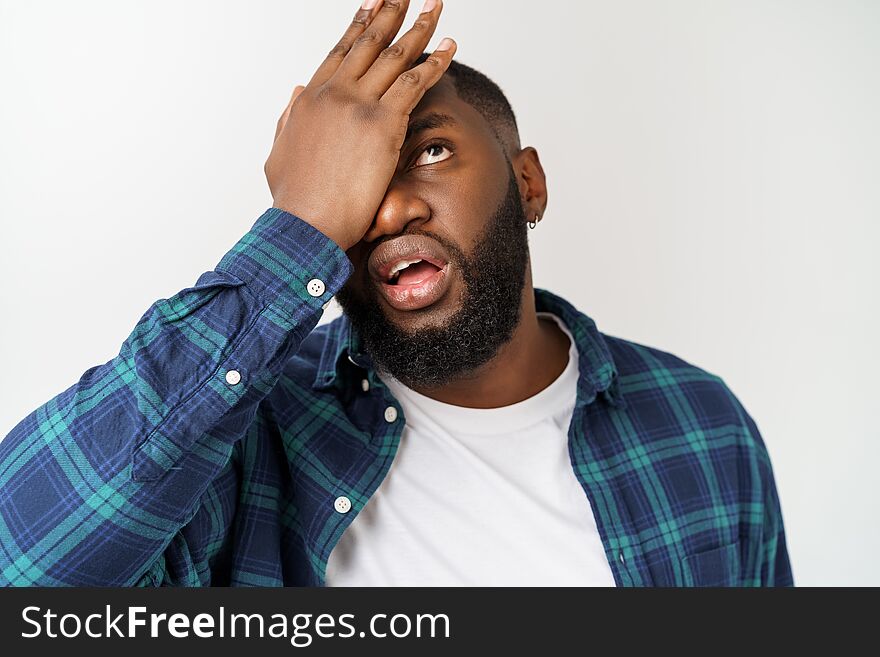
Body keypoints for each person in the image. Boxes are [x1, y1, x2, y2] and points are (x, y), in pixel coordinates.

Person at [0, 0, 792, 587]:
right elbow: (23, 567)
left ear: (528, 183)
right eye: (356, 178)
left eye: (432, 152)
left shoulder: (705, 427)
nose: (387, 209)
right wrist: (297, 226)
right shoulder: (243, 442)